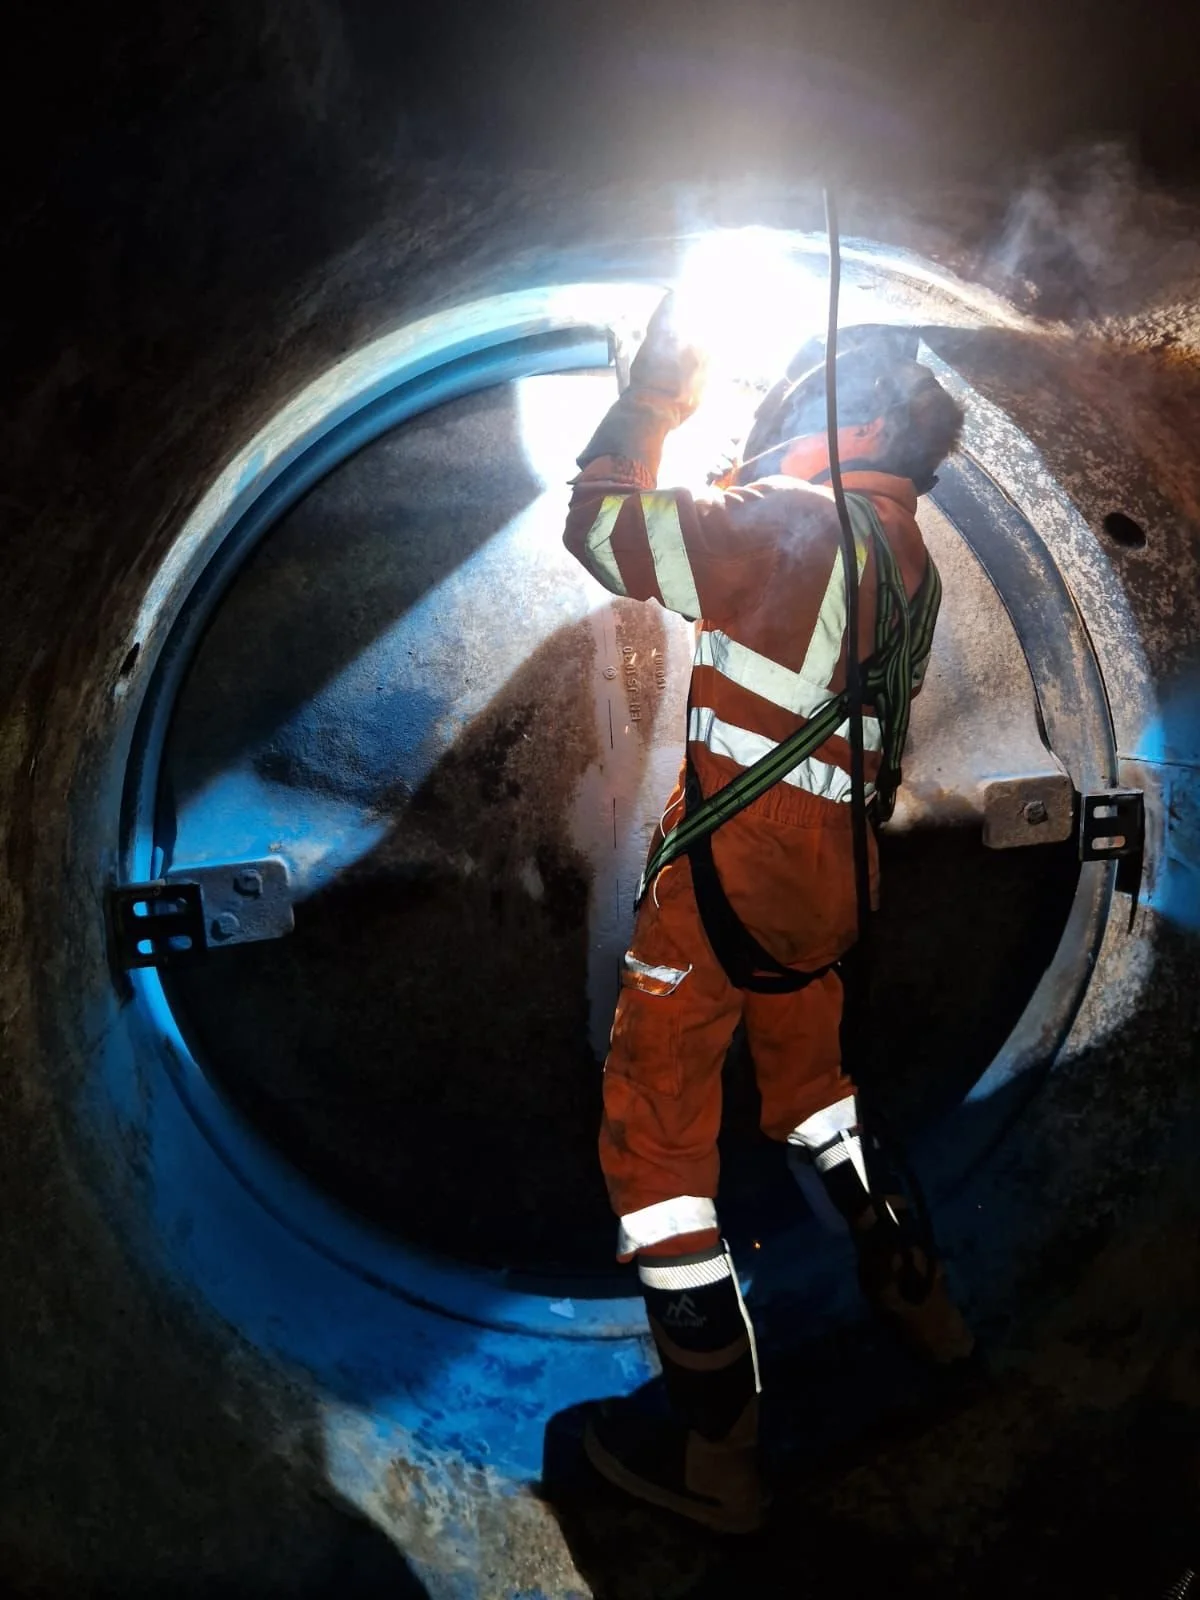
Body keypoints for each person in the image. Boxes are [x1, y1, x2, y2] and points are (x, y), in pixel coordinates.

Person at [560, 294, 973, 1533]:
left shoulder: (795, 523)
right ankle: (932, 1321)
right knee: (816, 1099)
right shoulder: (908, 557)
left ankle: (721, 1464)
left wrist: (660, 398)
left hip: (728, 881)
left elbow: (604, 531)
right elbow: (772, 590)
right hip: (828, 885)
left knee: (660, 1157)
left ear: (855, 417)